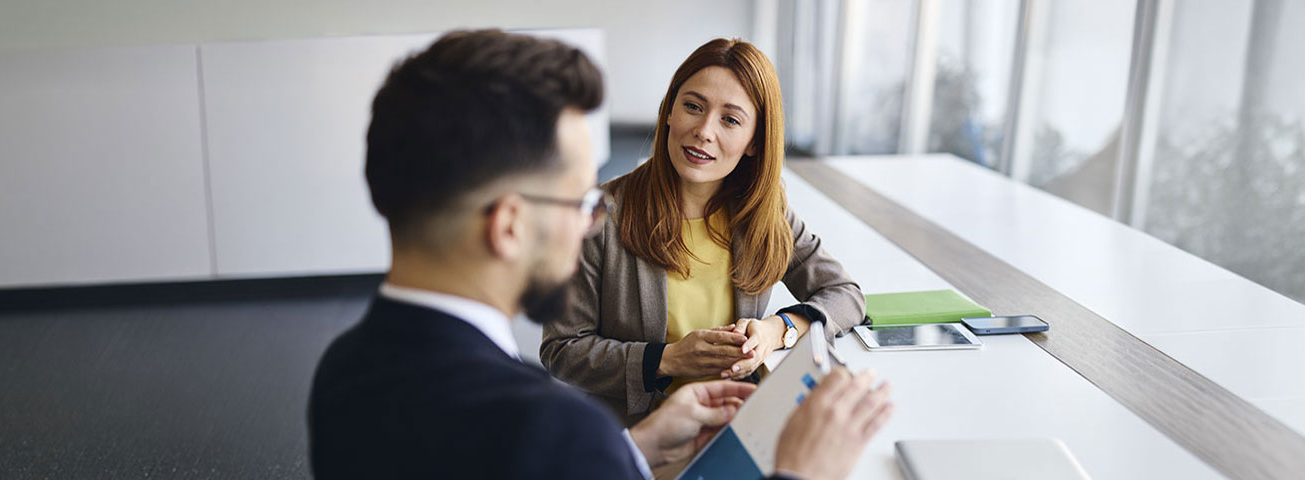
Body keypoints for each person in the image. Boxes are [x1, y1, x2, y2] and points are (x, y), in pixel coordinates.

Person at [307, 29, 892, 480]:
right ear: (511, 224)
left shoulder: (340, 373)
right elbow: (556, 395)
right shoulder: (552, 431)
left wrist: (630, 450)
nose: (592, 218)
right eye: (579, 198)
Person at [541, 38, 866, 424]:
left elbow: (845, 295)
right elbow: (562, 350)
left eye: (730, 120)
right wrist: (667, 359)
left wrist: (776, 331)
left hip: (740, 424)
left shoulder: (763, 209)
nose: (704, 131)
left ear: (754, 143)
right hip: (641, 437)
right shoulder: (602, 215)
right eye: (692, 107)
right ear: (668, 113)